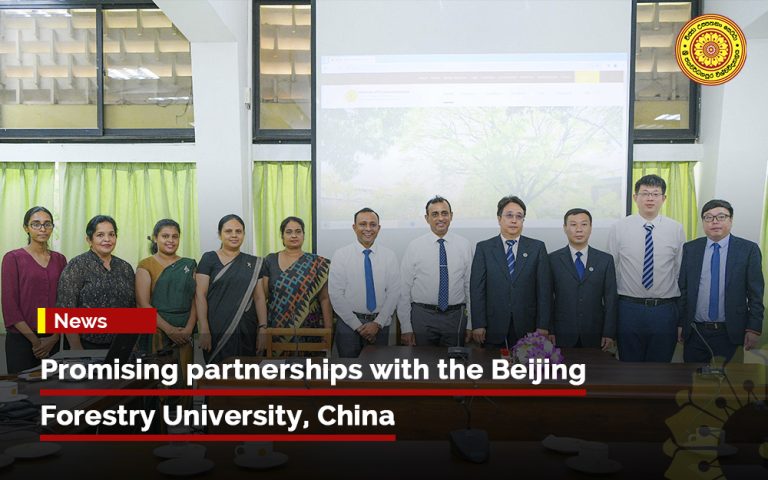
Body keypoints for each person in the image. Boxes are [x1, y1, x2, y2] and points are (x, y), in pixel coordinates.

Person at [606, 174, 685, 362]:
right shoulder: (619, 228)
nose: (650, 198)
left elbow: (679, 270)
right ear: (635, 197)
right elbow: (611, 269)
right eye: (645, 193)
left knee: (660, 366)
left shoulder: (676, 229)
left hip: (664, 310)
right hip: (628, 308)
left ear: (663, 198)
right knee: (629, 366)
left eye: (655, 194)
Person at [677, 199, 764, 363]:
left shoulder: (748, 250)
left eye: (721, 217)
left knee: (729, 378)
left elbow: (756, 294)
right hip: (695, 331)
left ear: (731, 220)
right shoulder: (691, 248)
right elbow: (684, 289)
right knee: (692, 377)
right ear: (703, 222)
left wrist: (753, 328)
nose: (714, 222)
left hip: (730, 332)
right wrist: (681, 323)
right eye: (708, 217)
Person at [470, 195, 551, 348]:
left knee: (526, 364)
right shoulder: (484, 248)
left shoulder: (537, 248)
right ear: (499, 218)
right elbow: (477, 289)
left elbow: (544, 291)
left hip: (528, 325)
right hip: (493, 325)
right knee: (493, 363)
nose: (514, 220)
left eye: (519, 216)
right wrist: (478, 324)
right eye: (509, 215)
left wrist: (543, 325)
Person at [398, 196, 472, 347]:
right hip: (422, 316)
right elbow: (403, 289)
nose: (440, 218)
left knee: (454, 361)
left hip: (455, 317)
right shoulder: (415, 247)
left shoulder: (464, 245)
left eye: (444, 213)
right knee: (422, 361)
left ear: (451, 216)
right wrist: (405, 327)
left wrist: (470, 323)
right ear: (427, 218)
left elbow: (469, 286)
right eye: (435, 214)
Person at [2, 207, 68, 373]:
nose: (42, 229)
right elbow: (10, 305)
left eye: (47, 224)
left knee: (54, 386)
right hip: (21, 338)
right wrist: (36, 342)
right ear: (26, 228)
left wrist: (54, 338)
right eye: (36, 224)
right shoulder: (13, 258)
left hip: (52, 338)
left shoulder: (60, 259)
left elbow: (64, 301)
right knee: (23, 387)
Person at [135, 219, 197, 396]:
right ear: (155, 238)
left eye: (175, 236)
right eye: (165, 236)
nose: (170, 240)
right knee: (159, 385)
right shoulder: (146, 265)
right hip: (156, 331)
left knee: (184, 381)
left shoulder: (189, 264)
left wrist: (188, 329)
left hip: (185, 333)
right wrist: (170, 330)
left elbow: (195, 300)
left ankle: (183, 413)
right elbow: (143, 304)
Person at [195, 214, 267, 364]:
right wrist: (204, 328)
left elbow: (260, 298)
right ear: (219, 234)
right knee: (218, 373)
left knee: (247, 372)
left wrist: (263, 328)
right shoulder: (209, 259)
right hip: (216, 327)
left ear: (244, 234)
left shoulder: (254, 263)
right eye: (228, 231)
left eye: (238, 231)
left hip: (247, 328)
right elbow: (200, 295)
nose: (234, 235)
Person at [329, 208, 400, 358]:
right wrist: (357, 326)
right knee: (348, 370)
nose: (368, 229)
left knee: (377, 370)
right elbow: (336, 294)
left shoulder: (389, 256)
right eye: (362, 224)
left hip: (380, 325)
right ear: (354, 227)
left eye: (373, 224)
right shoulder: (341, 255)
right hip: (348, 325)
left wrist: (378, 323)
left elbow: (394, 293)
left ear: (378, 228)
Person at [56, 215, 135, 350]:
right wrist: (76, 348)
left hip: (121, 344)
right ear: (89, 240)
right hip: (85, 344)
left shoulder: (125, 267)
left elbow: (132, 308)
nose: (107, 239)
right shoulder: (77, 265)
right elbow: (66, 309)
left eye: (111, 234)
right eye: (100, 235)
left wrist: (131, 344)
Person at [549, 208, 618, 350]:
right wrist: (550, 330)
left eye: (584, 224)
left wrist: (609, 333)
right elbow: (547, 298)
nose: (579, 229)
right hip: (561, 334)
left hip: (595, 333)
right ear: (565, 228)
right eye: (573, 225)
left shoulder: (605, 260)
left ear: (591, 228)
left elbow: (611, 299)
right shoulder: (552, 259)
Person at [262, 216, 332, 350]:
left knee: (309, 364)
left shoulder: (317, 263)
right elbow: (263, 296)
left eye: (298, 231)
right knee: (279, 363)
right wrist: (262, 328)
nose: (294, 235)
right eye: (289, 232)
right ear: (282, 236)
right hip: (277, 328)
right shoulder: (270, 260)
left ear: (304, 235)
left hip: (309, 329)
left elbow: (324, 299)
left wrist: (328, 331)